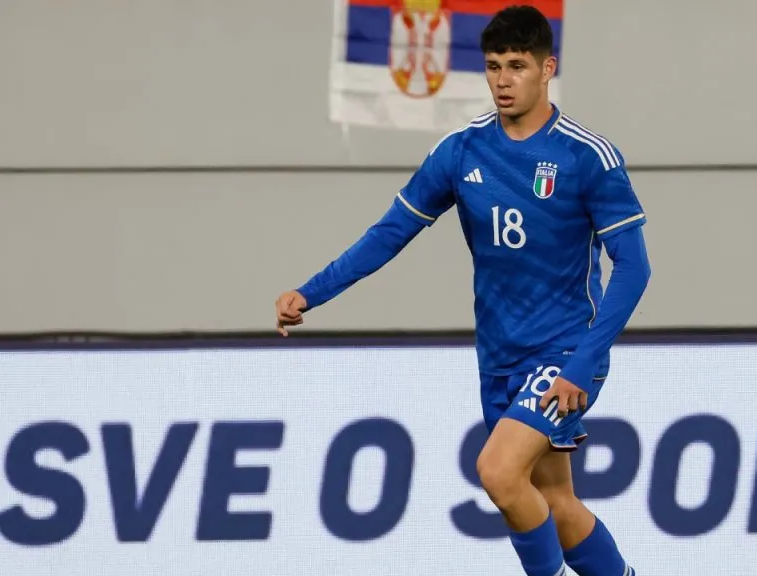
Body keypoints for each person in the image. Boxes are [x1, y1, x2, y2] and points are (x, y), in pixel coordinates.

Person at [275, 5, 649, 576]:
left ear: (547, 69)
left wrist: (584, 362)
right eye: (494, 66)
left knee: (498, 472)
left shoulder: (585, 156)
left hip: (564, 353)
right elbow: (390, 233)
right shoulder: (462, 150)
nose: (503, 80)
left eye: (517, 66)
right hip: (498, 358)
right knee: (556, 503)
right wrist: (311, 292)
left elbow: (634, 267)